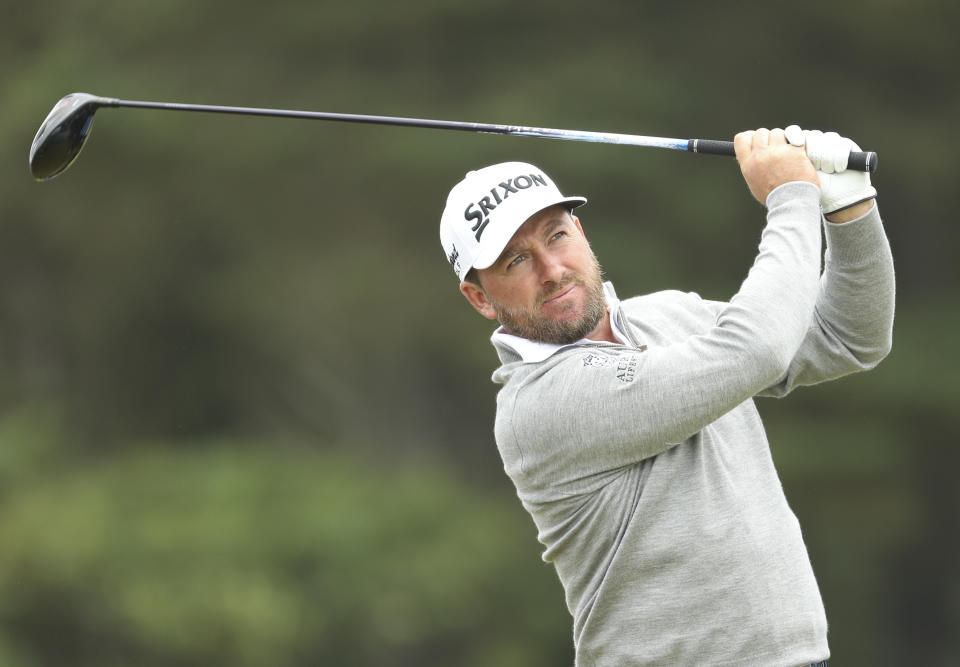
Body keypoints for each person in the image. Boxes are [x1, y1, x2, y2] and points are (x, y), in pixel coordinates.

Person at [438, 126, 895, 666]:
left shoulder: (670, 314)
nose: (552, 270)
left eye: (556, 235)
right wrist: (791, 196)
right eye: (516, 261)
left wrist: (847, 205)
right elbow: (756, 350)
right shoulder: (541, 405)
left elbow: (849, 337)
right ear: (479, 298)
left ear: (581, 232)